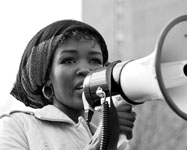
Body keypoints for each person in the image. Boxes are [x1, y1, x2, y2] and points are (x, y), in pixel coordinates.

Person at [0, 19, 136, 149]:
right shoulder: (17, 125)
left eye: (95, 60)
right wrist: (99, 143)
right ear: (47, 78)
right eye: (68, 60)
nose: (85, 69)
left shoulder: (112, 137)